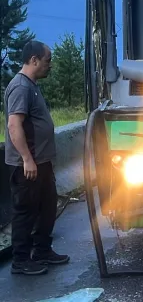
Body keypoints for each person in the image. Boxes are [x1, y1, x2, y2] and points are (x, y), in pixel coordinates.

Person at [4, 40, 69, 275]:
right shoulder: (20, 87)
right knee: (25, 212)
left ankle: (42, 250)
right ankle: (20, 261)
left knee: (47, 208)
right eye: (47, 60)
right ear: (34, 60)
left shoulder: (32, 85)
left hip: (41, 163)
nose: (49, 65)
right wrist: (27, 159)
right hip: (27, 165)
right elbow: (14, 125)